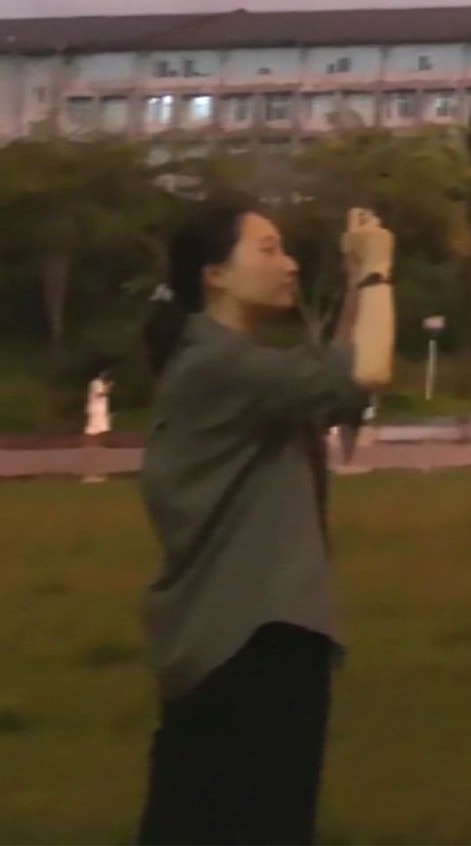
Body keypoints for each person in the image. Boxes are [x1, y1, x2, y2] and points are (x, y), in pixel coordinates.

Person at [135, 202, 396, 846]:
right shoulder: (223, 365)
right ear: (215, 274)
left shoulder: (229, 364)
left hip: (223, 637)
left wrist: (355, 278)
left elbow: (337, 384)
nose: (289, 264)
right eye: (269, 249)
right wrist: (378, 272)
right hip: (256, 640)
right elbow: (367, 372)